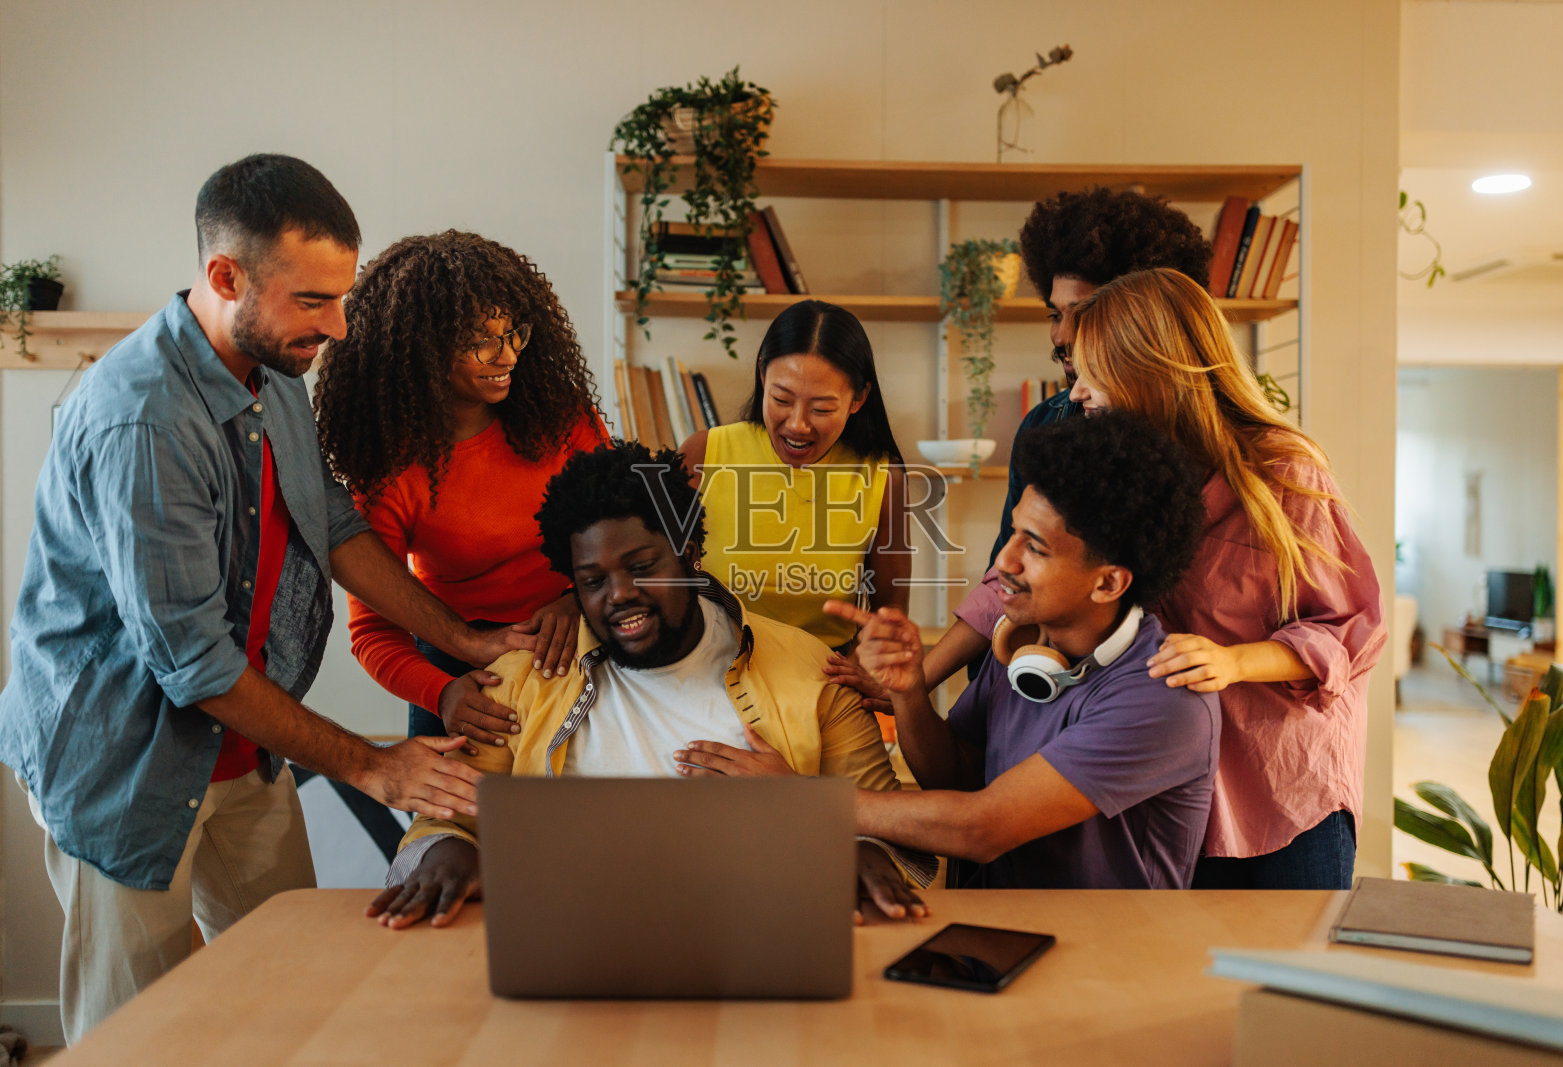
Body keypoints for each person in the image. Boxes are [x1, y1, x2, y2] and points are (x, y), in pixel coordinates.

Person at [0, 155, 540, 1042]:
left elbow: (330, 523)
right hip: (124, 766)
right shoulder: (143, 417)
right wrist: (372, 764)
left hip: (244, 746)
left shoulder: (276, 372)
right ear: (225, 277)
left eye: (343, 296)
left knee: (288, 996)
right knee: (140, 1035)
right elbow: (194, 661)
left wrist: (465, 638)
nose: (337, 326)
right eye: (313, 301)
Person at [368, 443, 933, 930]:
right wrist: (448, 854)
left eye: (641, 567)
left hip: (759, 932)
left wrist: (864, 854)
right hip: (570, 939)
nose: (618, 595)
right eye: (593, 581)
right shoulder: (519, 680)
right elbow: (445, 817)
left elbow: (879, 818)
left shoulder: (808, 669)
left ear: (688, 553)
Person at [679, 413, 1220, 890]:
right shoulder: (1021, 642)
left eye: (1034, 547)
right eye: (1013, 533)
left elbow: (979, 827)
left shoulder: (1162, 699)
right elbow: (954, 777)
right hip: (997, 937)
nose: (1003, 561)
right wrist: (910, 692)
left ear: (1108, 584)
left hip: (1109, 965)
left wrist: (797, 798)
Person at [1061, 268, 1386, 890]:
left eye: (1089, 372)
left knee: (1289, 983)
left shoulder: (1282, 472)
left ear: (1147, 366)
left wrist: (1234, 662)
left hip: (1280, 799)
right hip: (1160, 794)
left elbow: (1349, 631)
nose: (1075, 393)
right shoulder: (1116, 475)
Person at [908, 188, 1213, 690]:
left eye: (1084, 312)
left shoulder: (1234, 457)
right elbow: (1007, 579)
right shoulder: (1049, 424)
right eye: (1055, 314)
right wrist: (918, 682)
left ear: (1144, 319)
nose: (1061, 335)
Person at [315, 231, 606, 748]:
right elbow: (373, 630)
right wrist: (442, 692)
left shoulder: (562, 418)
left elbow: (621, 528)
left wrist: (576, 596)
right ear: (420, 352)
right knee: (450, 822)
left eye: (515, 332)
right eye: (481, 340)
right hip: (458, 657)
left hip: (580, 628)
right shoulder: (389, 473)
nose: (508, 354)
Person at [679, 299, 909, 652]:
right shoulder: (701, 455)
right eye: (782, 399)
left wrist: (868, 661)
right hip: (708, 672)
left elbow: (889, 610)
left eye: (822, 408)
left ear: (858, 398)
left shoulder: (881, 475)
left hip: (822, 680)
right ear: (762, 374)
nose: (798, 425)